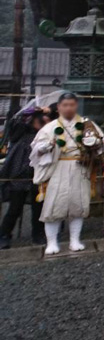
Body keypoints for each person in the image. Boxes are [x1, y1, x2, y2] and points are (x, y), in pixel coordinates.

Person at [30, 92, 104, 255]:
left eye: (72, 104)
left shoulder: (87, 124)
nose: (68, 108)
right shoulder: (50, 127)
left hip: (80, 167)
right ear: (58, 107)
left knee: (78, 205)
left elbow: (103, 145)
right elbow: (36, 148)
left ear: (76, 105)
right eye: (65, 105)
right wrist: (48, 145)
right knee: (54, 206)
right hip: (58, 168)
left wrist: (94, 144)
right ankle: (51, 242)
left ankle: (75, 240)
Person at [0, 107, 47, 249]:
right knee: (14, 208)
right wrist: (32, 110)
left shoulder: (45, 134)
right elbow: (15, 120)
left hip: (38, 174)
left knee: (38, 208)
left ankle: (38, 235)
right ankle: (4, 235)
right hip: (19, 174)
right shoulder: (21, 131)